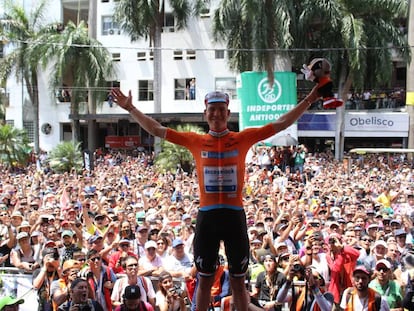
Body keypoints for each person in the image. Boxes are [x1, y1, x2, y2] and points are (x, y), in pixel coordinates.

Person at [111, 82, 321, 311]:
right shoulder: (196, 140)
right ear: (205, 114)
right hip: (208, 218)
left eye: (221, 109)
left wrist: (310, 98)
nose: (217, 113)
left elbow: (282, 123)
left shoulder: (243, 138)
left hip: (234, 216)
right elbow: (157, 130)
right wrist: (131, 109)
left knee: (239, 282)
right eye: (212, 109)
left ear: (228, 113)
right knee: (204, 280)